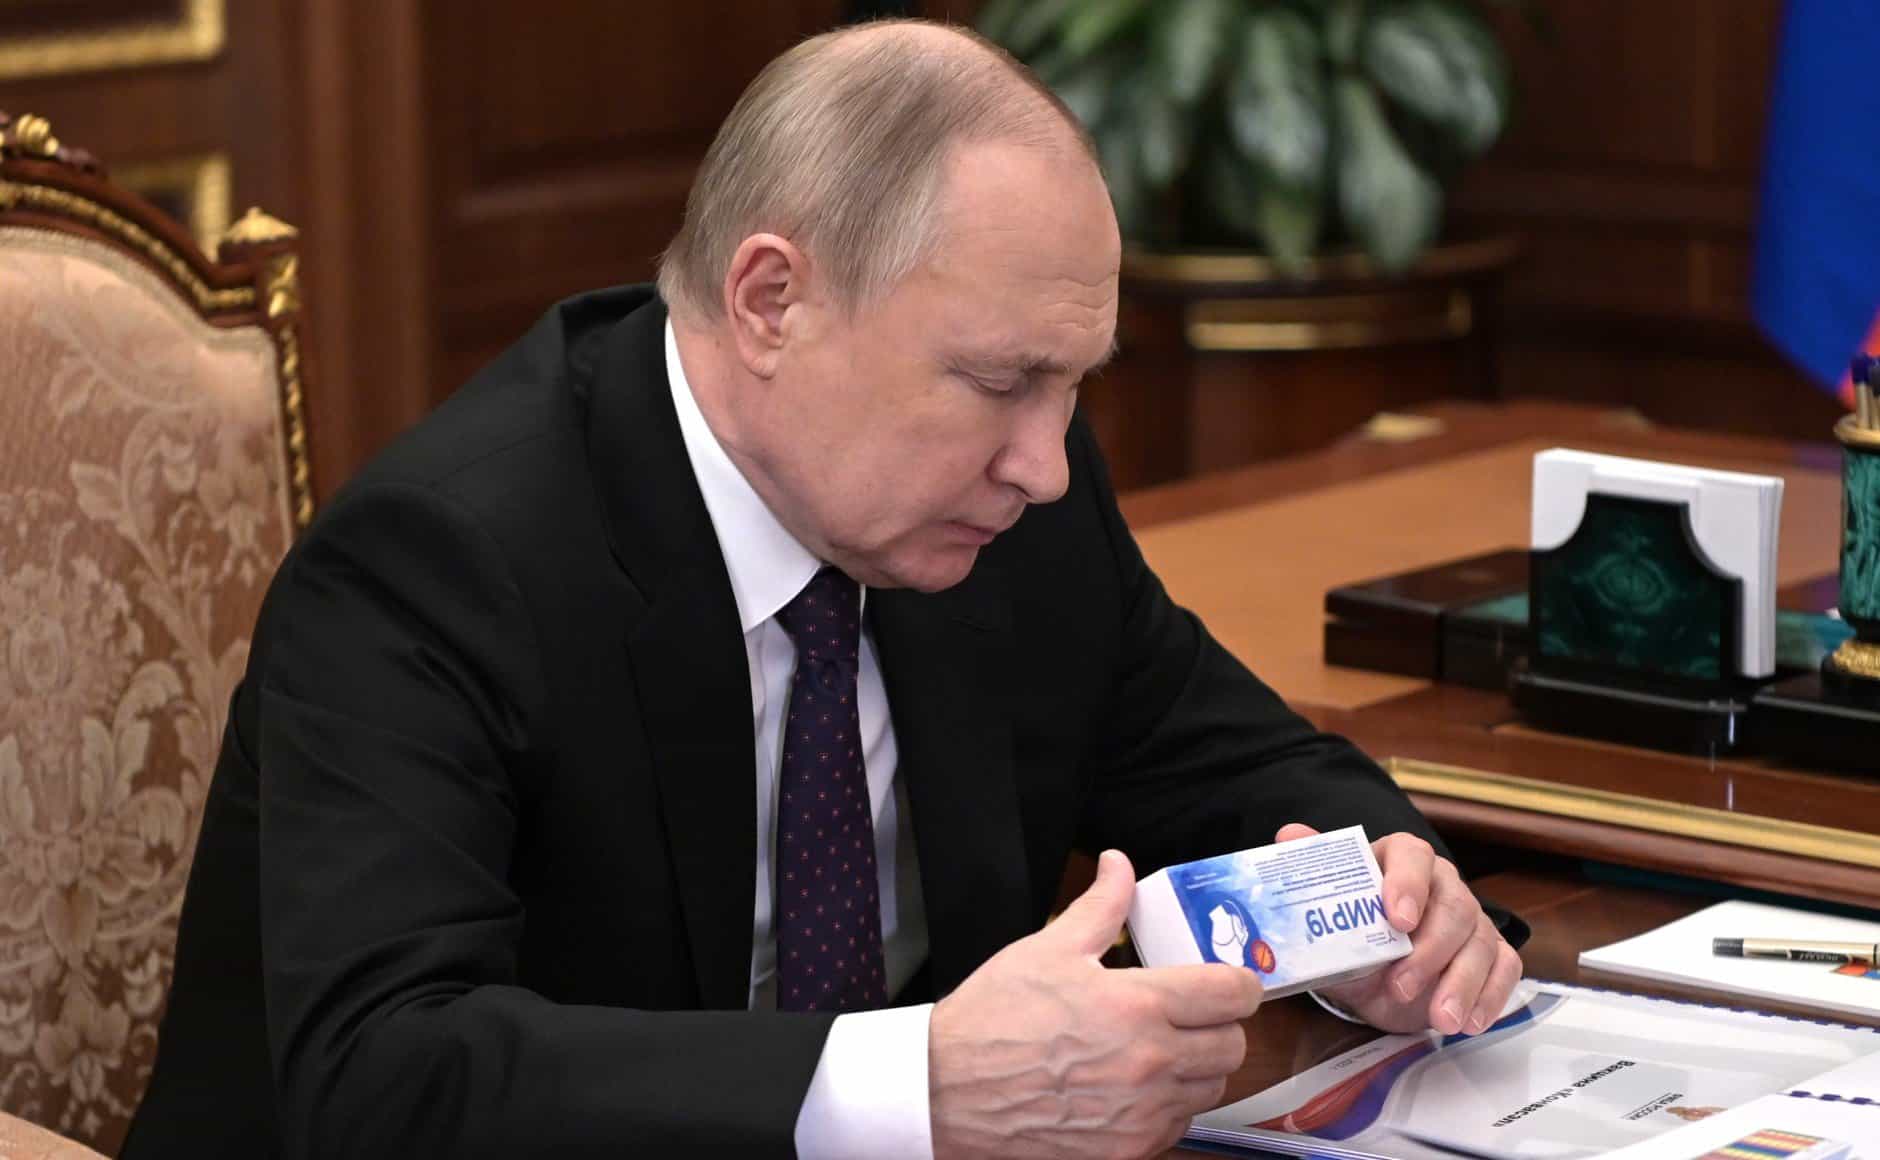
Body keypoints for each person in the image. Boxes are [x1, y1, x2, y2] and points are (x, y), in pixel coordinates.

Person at [122, 19, 1524, 1160]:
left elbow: (1231, 763)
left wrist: (1383, 911)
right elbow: (382, 1077)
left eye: (1072, 387)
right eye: (999, 381)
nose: (1045, 464)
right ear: (771, 302)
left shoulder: (1007, 509)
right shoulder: (439, 565)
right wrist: (919, 1083)